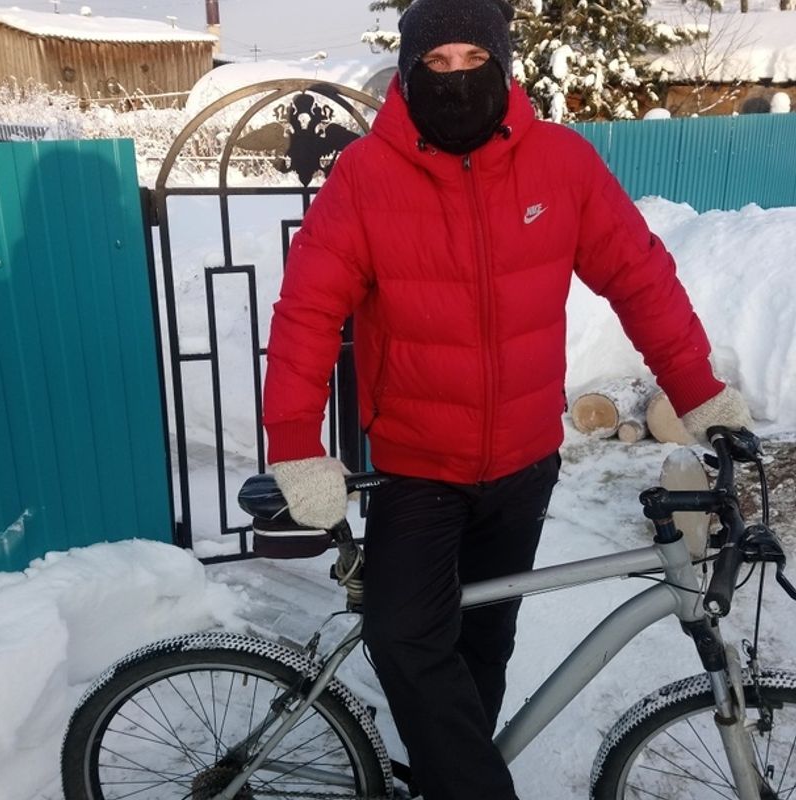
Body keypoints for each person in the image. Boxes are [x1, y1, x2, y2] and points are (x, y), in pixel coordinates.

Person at [262, 0, 752, 797]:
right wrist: (293, 440)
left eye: (472, 59)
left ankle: (450, 776)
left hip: (525, 463)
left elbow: (637, 275)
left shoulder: (560, 164)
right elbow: (308, 312)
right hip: (419, 465)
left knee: (485, 641)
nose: (457, 79)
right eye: (436, 64)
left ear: (503, 63)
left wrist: (697, 389)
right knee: (405, 637)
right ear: (411, 73)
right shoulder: (365, 177)